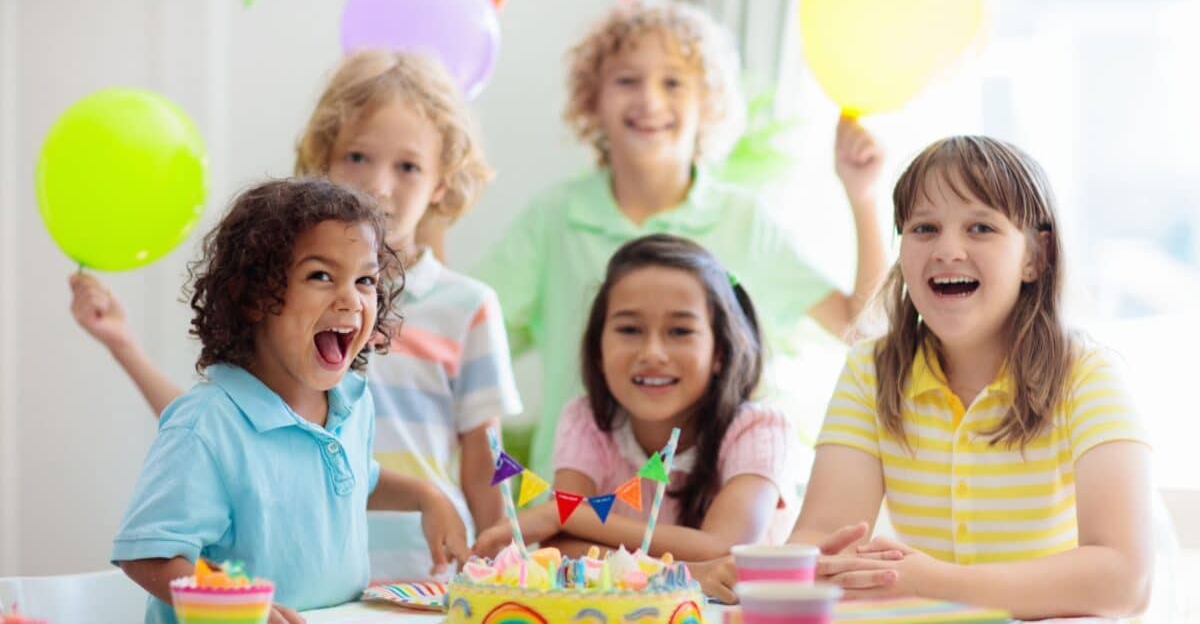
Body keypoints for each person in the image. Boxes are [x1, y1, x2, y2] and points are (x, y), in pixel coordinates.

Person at [71, 51, 522, 574]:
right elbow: (222, 430)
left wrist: (500, 564)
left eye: (408, 165)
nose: (378, 184)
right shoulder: (278, 307)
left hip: (426, 576)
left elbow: (482, 461)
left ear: (442, 180)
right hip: (290, 585)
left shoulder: (461, 313)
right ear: (321, 161)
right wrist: (124, 345)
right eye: (358, 157)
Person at [695, 137, 1154, 620]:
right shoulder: (871, 370)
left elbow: (1125, 582)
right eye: (924, 228)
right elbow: (825, 535)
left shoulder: (1087, 375)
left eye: (981, 227)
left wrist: (932, 582)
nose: (947, 249)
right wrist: (797, 568)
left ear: (1035, 256)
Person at [471, 0, 887, 478]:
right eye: (627, 80)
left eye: (673, 82)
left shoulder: (741, 219)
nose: (650, 100)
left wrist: (864, 196)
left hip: (718, 503)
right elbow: (464, 335)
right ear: (592, 98)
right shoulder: (556, 218)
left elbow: (860, 327)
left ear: (707, 104)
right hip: (576, 510)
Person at [111, 178, 469, 624]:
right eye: (320, 275)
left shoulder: (353, 404)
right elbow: (148, 554)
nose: (351, 299)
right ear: (253, 297)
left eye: (365, 280)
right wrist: (238, 606)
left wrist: (426, 497)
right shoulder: (208, 424)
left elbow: (356, 479)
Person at [474, 234, 800, 562]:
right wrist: (565, 522)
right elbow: (562, 548)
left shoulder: (758, 430)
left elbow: (722, 547)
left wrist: (562, 514)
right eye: (629, 330)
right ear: (598, 348)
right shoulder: (587, 421)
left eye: (680, 331)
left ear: (720, 350)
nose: (652, 353)